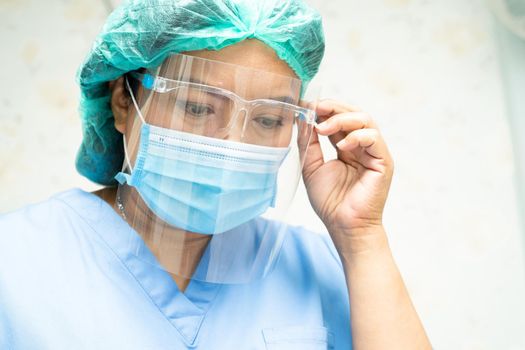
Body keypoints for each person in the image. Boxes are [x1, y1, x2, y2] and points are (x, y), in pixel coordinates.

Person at [0, 0, 431, 349]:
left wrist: (361, 236)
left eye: (267, 119)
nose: (230, 141)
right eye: (197, 107)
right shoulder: (17, 258)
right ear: (123, 103)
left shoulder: (319, 265)